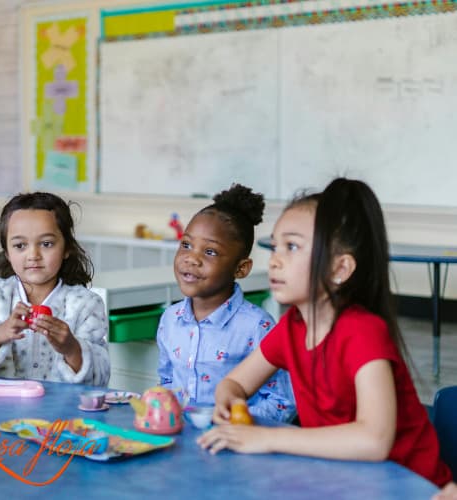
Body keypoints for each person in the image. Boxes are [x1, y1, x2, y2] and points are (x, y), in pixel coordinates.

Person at [197, 178, 453, 491]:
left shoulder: (362, 332)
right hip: (345, 481)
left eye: (291, 247)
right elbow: (234, 382)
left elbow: (374, 441)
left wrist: (269, 438)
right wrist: (229, 401)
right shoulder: (292, 327)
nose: (275, 260)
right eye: (275, 246)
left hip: (410, 487)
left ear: (340, 269)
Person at [157, 184, 295, 422]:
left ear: (241, 268)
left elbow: (282, 404)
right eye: (186, 245)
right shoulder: (170, 319)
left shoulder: (256, 327)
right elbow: (167, 382)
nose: (192, 258)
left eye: (210, 252)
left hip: (234, 445)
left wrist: (229, 420)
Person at [0, 192, 110, 386]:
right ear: (6, 252)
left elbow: (101, 378)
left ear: (67, 248)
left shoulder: (86, 304)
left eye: (46, 244)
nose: (33, 255)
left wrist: (72, 349)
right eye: (20, 245)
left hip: (60, 414)